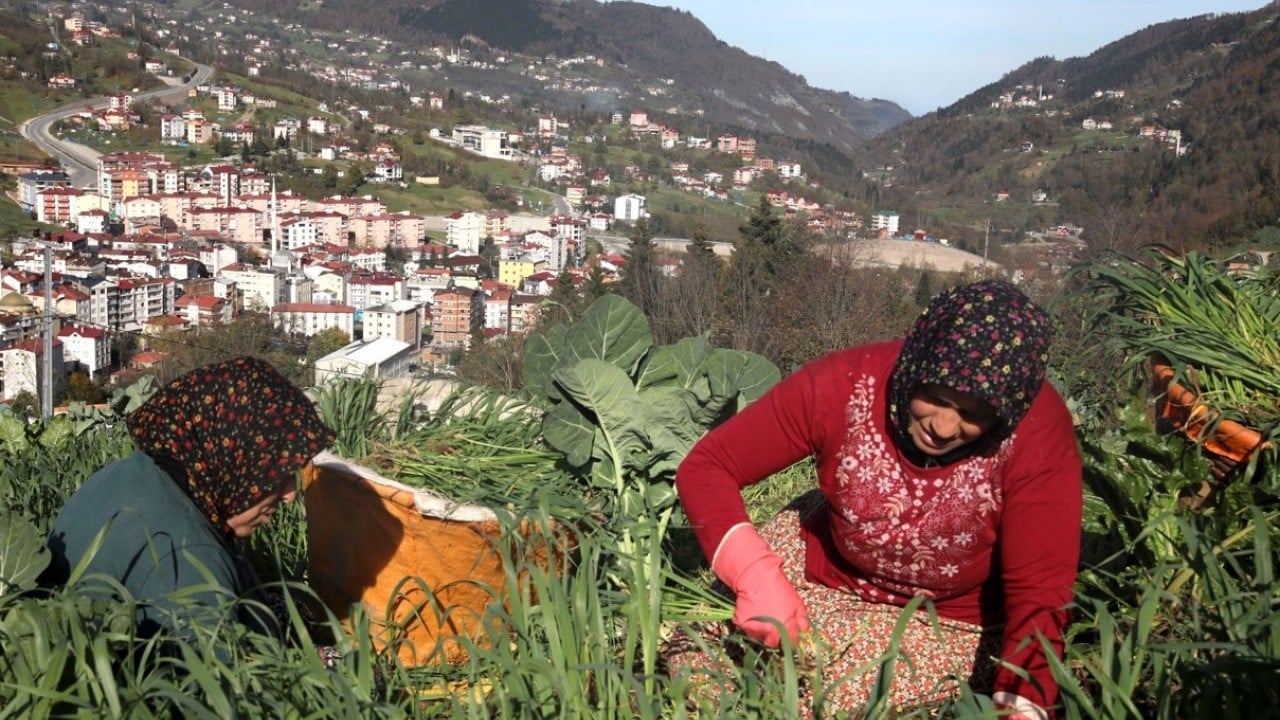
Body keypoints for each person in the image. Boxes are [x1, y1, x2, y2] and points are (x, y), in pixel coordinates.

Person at [667, 280, 1082, 720]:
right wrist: (754, 575)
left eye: (971, 414)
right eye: (936, 398)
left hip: (943, 618)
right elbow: (707, 466)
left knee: (824, 704)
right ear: (916, 362)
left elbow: (1040, 591)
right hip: (824, 563)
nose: (942, 427)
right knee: (695, 652)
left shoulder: (1037, 434)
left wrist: (1022, 705)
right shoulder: (849, 382)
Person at [42, 356, 336, 640]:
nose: (290, 495)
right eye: (278, 474)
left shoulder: (139, 472)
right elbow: (221, 686)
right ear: (234, 461)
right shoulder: (190, 561)